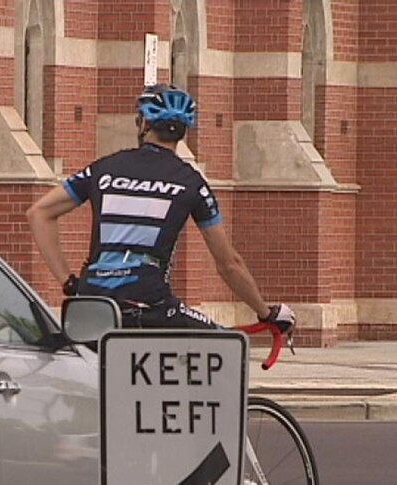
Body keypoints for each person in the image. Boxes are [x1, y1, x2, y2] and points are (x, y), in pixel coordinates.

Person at [26, 83, 295, 332]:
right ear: (183, 130)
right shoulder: (191, 183)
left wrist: (69, 282)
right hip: (152, 307)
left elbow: (39, 213)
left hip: (94, 305)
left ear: (143, 123)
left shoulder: (103, 169)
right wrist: (265, 312)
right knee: (226, 345)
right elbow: (229, 264)